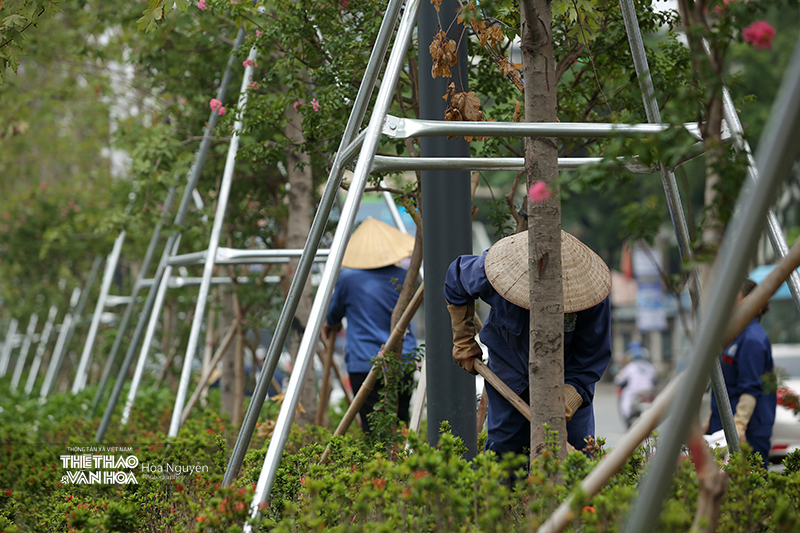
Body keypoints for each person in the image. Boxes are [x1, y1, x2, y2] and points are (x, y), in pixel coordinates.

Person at [444, 230, 612, 455]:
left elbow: (591, 359)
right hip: (509, 373)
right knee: (506, 455)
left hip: (566, 378)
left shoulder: (591, 295)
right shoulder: (496, 270)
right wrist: (463, 338)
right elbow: (456, 277)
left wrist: (568, 399)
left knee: (576, 455)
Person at [323, 217, 419, 434]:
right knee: (400, 421)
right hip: (402, 359)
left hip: (365, 362)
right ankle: (405, 466)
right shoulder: (407, 277)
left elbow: (334, 315)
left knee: (373, 429)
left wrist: (330, 325)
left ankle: (379, 467)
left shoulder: (348, 280)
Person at [706, 278, 776, 467]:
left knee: (748, 490)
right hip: (723, 428)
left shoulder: (752, 339)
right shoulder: (735, 336)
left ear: (747, 301)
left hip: (746, 433)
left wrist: (739, 426)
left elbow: (750, 390)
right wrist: (709, 421)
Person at [614, 341, 657, 427]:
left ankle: (627, 416)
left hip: (634, 392)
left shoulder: (630, 367)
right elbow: (654, 379)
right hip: (648, 391)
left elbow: (618, 379)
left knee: (625, 399)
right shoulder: (650, 367)